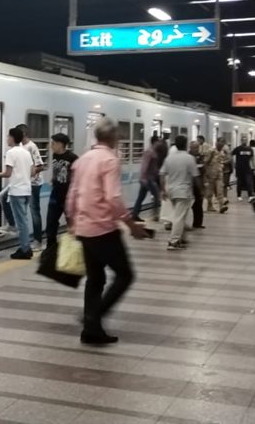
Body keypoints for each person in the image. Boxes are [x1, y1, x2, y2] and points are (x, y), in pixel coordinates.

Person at [66, 116, 150, 346]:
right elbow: (113, 198)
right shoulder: (110, 160)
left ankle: (91, 331)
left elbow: (72, 195)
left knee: (96, 278)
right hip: (103, 229)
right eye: (118, 135)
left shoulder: (83, 159)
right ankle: (93, 318)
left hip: (84, 228)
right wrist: (131, 224)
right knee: (125, 275)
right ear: (112, 137)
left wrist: (72, 221)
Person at [0, 127, 36, 259]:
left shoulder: (11, 153)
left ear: (12, 138)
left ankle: (25, 249)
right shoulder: (25, 152)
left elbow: (7, 173)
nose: (6, 139)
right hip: (27, 190)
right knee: (23, 220)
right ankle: (25, 246)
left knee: (21, 223)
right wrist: (22, 176)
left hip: (17, 191)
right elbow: (32, 171)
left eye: (7, 136)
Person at [160, 136, 198, 251]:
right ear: (186, 144)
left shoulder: (169, 158)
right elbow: (196, 176)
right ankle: (174, 241)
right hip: (183, 192)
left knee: (181, 215)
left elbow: (162, 174)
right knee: (179, 217)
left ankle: (182, 237)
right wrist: (201, 189)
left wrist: (163, 190)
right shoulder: (189, 158)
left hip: (171, 191)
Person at [45, 133, 78, 250]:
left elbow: (78, 176)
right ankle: (50, 248)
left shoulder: (73, 158)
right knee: (51, 222)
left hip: (68, 195)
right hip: (55, 194)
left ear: (60, 144)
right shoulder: (54, 155)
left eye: (53, 143)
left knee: (71, 222)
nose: (51, 145)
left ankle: (74, 247)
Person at [17, 124, 46, 248]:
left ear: (23, 134)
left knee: (34, 211)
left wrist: (29, 173)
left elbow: (41, 166)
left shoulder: (32, 146)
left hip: (34, 184)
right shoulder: (19, 146)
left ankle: (38, 240)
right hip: (23, 182)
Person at [130, 136, 164, 222]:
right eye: (159, 141)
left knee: (141, 197)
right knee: (156, 196)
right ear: (155, 142)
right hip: (148, 179)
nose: (160, 143)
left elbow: (153, 167)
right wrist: (144, 178)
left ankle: (135, 214)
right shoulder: (149, 152)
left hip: (148, 178)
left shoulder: (153, 151)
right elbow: (145, 165)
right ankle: (155, 215)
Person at [202, 138, 229, 213]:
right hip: (211, 174)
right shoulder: (211, 151)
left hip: (219, 174)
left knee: (220, 190)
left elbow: (223, 161)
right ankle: (209, 206)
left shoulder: (222, 152)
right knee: (209, 192)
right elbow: (206, 162)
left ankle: (221, 206)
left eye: (223, 143)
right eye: (220, 142)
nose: (222, 144)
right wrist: (206, 173)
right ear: (217, 142)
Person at [189, 140, 206, 229]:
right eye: (194, 148)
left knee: (199, 203)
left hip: (199, 183)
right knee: (188, 204)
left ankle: (198, 223)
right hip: (190, 184)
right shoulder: (188, 157)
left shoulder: (200, 157)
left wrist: (204, 182)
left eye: (197, 147)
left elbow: (203, 170)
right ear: (190, 148)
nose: (196, 149)